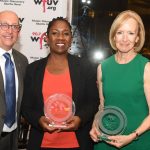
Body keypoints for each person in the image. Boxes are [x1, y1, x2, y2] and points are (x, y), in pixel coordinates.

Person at [21, 17, 99, 150]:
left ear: (71, 39)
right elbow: (26, 107)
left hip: (78, 144)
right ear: (47, 38)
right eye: (55, 33)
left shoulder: (85, 67)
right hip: (42, 144)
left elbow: (93, 102)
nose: (60, 37)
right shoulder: (33, 69)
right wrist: (39, 120)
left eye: (66, 33)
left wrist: (80, 119)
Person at [90, 10, 150, 150]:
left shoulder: (146, 67)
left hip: (137, 142)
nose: (124, 39)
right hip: (106, 141)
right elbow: (102, 107)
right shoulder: (102, 67)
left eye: (130, 33)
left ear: (137, 38)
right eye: (120, 32)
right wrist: (95, 124)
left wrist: (133, 136)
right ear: (114, 36)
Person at [0, 10, 28, 150]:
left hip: (13, 138)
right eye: (4, 25)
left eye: (15, 26)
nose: (10, 30)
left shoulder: (22, 61)